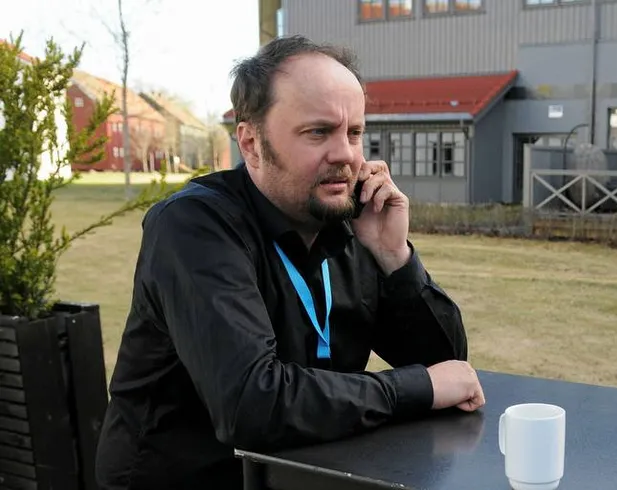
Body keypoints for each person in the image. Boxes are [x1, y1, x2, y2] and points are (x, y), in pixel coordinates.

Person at [94, 35, 486, 490]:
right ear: (252, 144)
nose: (346, 154)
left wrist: (394, 257)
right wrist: (414, 389)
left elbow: (448, 368)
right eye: (318, 132)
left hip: (301, 470)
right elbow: (251, 404)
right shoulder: (194, 226)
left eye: (354, 132)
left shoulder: (349, 223)